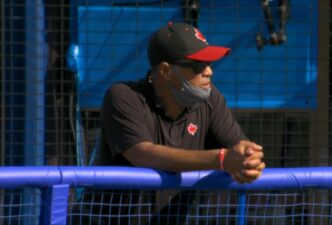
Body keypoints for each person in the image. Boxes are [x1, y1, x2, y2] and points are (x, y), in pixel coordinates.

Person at [71, 22, 265, 225]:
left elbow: (239, 149)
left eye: (210, 64)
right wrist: (223, 159)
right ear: (165, 70)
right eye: (198, 65)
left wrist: (248, 159)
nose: (209, 72)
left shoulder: (211, 99)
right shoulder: (123, 96)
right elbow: (142, 154)